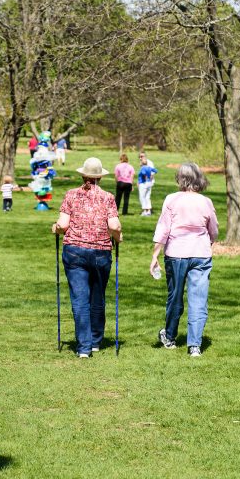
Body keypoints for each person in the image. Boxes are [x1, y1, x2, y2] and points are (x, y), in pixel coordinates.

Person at [51, 157, 122, 358]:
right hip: (101, 251)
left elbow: (63, 225)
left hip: (74, 251)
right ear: (100, 176)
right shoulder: (108, 197)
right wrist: (119, 237)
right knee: (97, 296)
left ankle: (83, 347)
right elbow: (114, 226)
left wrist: (55, 228)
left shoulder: (71, 195)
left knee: (80, 299)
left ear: (83, 175)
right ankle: (96, 341)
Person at [149, 162, 218, 357]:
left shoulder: (172, 199)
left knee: (175, 297)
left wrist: (155, 255)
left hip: (176, 254)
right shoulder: (206, 201)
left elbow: (163, 228)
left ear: (180, 179)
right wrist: (208, 241)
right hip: (201, 254)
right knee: (198, 300)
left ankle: (170, 336)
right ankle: (194, 345)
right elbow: (213, 229)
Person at [137, 152, 158, 216]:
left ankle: (144, 210)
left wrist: (146, 177)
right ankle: (148, 210)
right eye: (140, 157)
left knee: (142, 197)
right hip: (149, 183)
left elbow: (143, 173)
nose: (140, 158)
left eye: (142, 156)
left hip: (144, 183)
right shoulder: (149, 167)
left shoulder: (144, 167)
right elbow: (155, 170)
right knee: (147, 197)